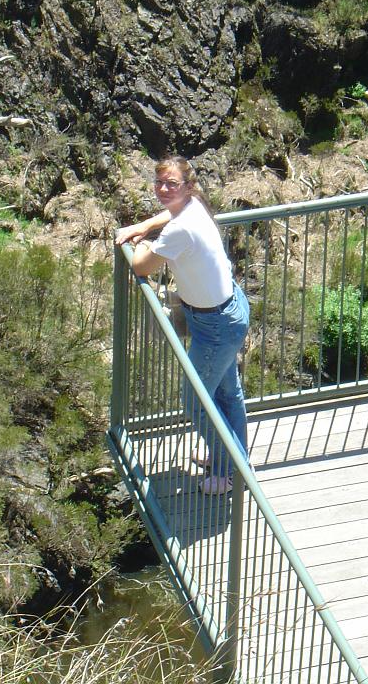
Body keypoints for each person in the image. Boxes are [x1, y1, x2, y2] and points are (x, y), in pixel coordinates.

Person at [115, 156, 249, 495]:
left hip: (215, 325)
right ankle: (236, 460)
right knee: (226, 394)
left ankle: (225, 473)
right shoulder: (193, 206)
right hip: (225, 312)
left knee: (195, 399)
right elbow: (171, 211)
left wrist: (141, 241)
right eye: (159, 182)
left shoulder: (180, 229)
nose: (163, 189)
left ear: (187, 186)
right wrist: (145, 226)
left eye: (171, 184)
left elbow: (143, 267)